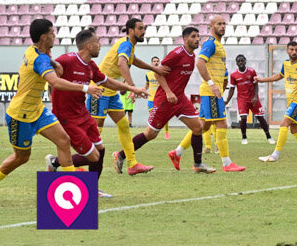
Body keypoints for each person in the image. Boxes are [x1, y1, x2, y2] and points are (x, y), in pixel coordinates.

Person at [0, 19, 104, 203]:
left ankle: (71, 187)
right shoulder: (38, 59)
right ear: (44, 37)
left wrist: (53, 62)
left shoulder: (37, 51)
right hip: (20, 115)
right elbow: (54, 82)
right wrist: (86, 88)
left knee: (64, 140)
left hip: (38, 111)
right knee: (22, 157)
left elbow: (46, 61)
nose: (55, 35)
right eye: (52, 33)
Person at [45, 27, 151, 195]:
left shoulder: (90, 65)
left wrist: (133, 88)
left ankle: (91, 187)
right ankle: (59, 166)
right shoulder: (67, 60)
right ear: (89, 46)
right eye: (97, 42)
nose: (100, 45)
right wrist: (52, 95)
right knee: (93, 156)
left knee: (100, 150)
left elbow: (107, 82)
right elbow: (51, 75)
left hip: (82, 114)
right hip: (67, 117)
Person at [115, 26, 216, 173]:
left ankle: (198, 164)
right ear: (185, 39)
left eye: (198, 36)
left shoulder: (192, 56)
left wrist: (175, 93)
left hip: (179, 99)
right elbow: (158, 73)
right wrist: (168, 92)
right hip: (165, 99)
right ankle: (121, 155)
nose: (197, 39)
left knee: (197, 127)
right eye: (193, 36)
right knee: (150, 134)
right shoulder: (176, 54)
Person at [90, 17, 169, 176]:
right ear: (131, 30)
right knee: (95, 130)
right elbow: (121, 64)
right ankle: (75, 163)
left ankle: (132, 163)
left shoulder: (128, 45)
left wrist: (155, 69)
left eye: (144, 28)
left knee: (124, 125)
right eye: (140, 28)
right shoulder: (126, 44)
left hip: (110, 91)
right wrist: (132, 86)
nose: (144, 31)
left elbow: (134, 61)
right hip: (98, 90)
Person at [186, 15, 244, 171]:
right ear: (211, 26)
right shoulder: (211, 44)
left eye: (224, 24)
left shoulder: (219, 46)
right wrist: (212, 84)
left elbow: (223, 72)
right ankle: (227, 163)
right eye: (219, 24)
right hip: (210, 92)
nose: (223, 26)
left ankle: (177, 152)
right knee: (221, 124)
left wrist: (223, 84)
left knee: (202, 126)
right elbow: (199, 62)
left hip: (214, 92)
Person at [257, 40, 297, 163]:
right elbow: (279, 76)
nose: (294, 52)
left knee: (283, 124)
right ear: (287, 51)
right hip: (291, 101)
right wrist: (262, 80)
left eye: (296, 50)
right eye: (291, 50)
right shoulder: (286, 64)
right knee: (294, 130)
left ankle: (274, 156)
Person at [224, 54, 274, 146]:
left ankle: (269, 136)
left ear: (245, 61)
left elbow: (256, 84)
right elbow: (232, 89)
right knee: (243, 118)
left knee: (260, 117)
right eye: (239, 61)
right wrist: (227, 100)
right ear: (236, 63)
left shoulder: (252, 71)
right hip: (242, 99)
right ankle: (244, 137)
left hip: (253, 98)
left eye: (242, 61)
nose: (240, 63)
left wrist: (255, 96)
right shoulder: (234, 75)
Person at [146, 57, 169, 140]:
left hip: (160, 98)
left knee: (164, 116)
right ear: (151, 63)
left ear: (159, 62)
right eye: (154, 61)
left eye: (157, 61)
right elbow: (147, 85)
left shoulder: (162, 73)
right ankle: (152, 133)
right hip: (151, 99)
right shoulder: (148, 74)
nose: (156, 62)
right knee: (152, 117)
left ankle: (166, 132)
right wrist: (142, 91)